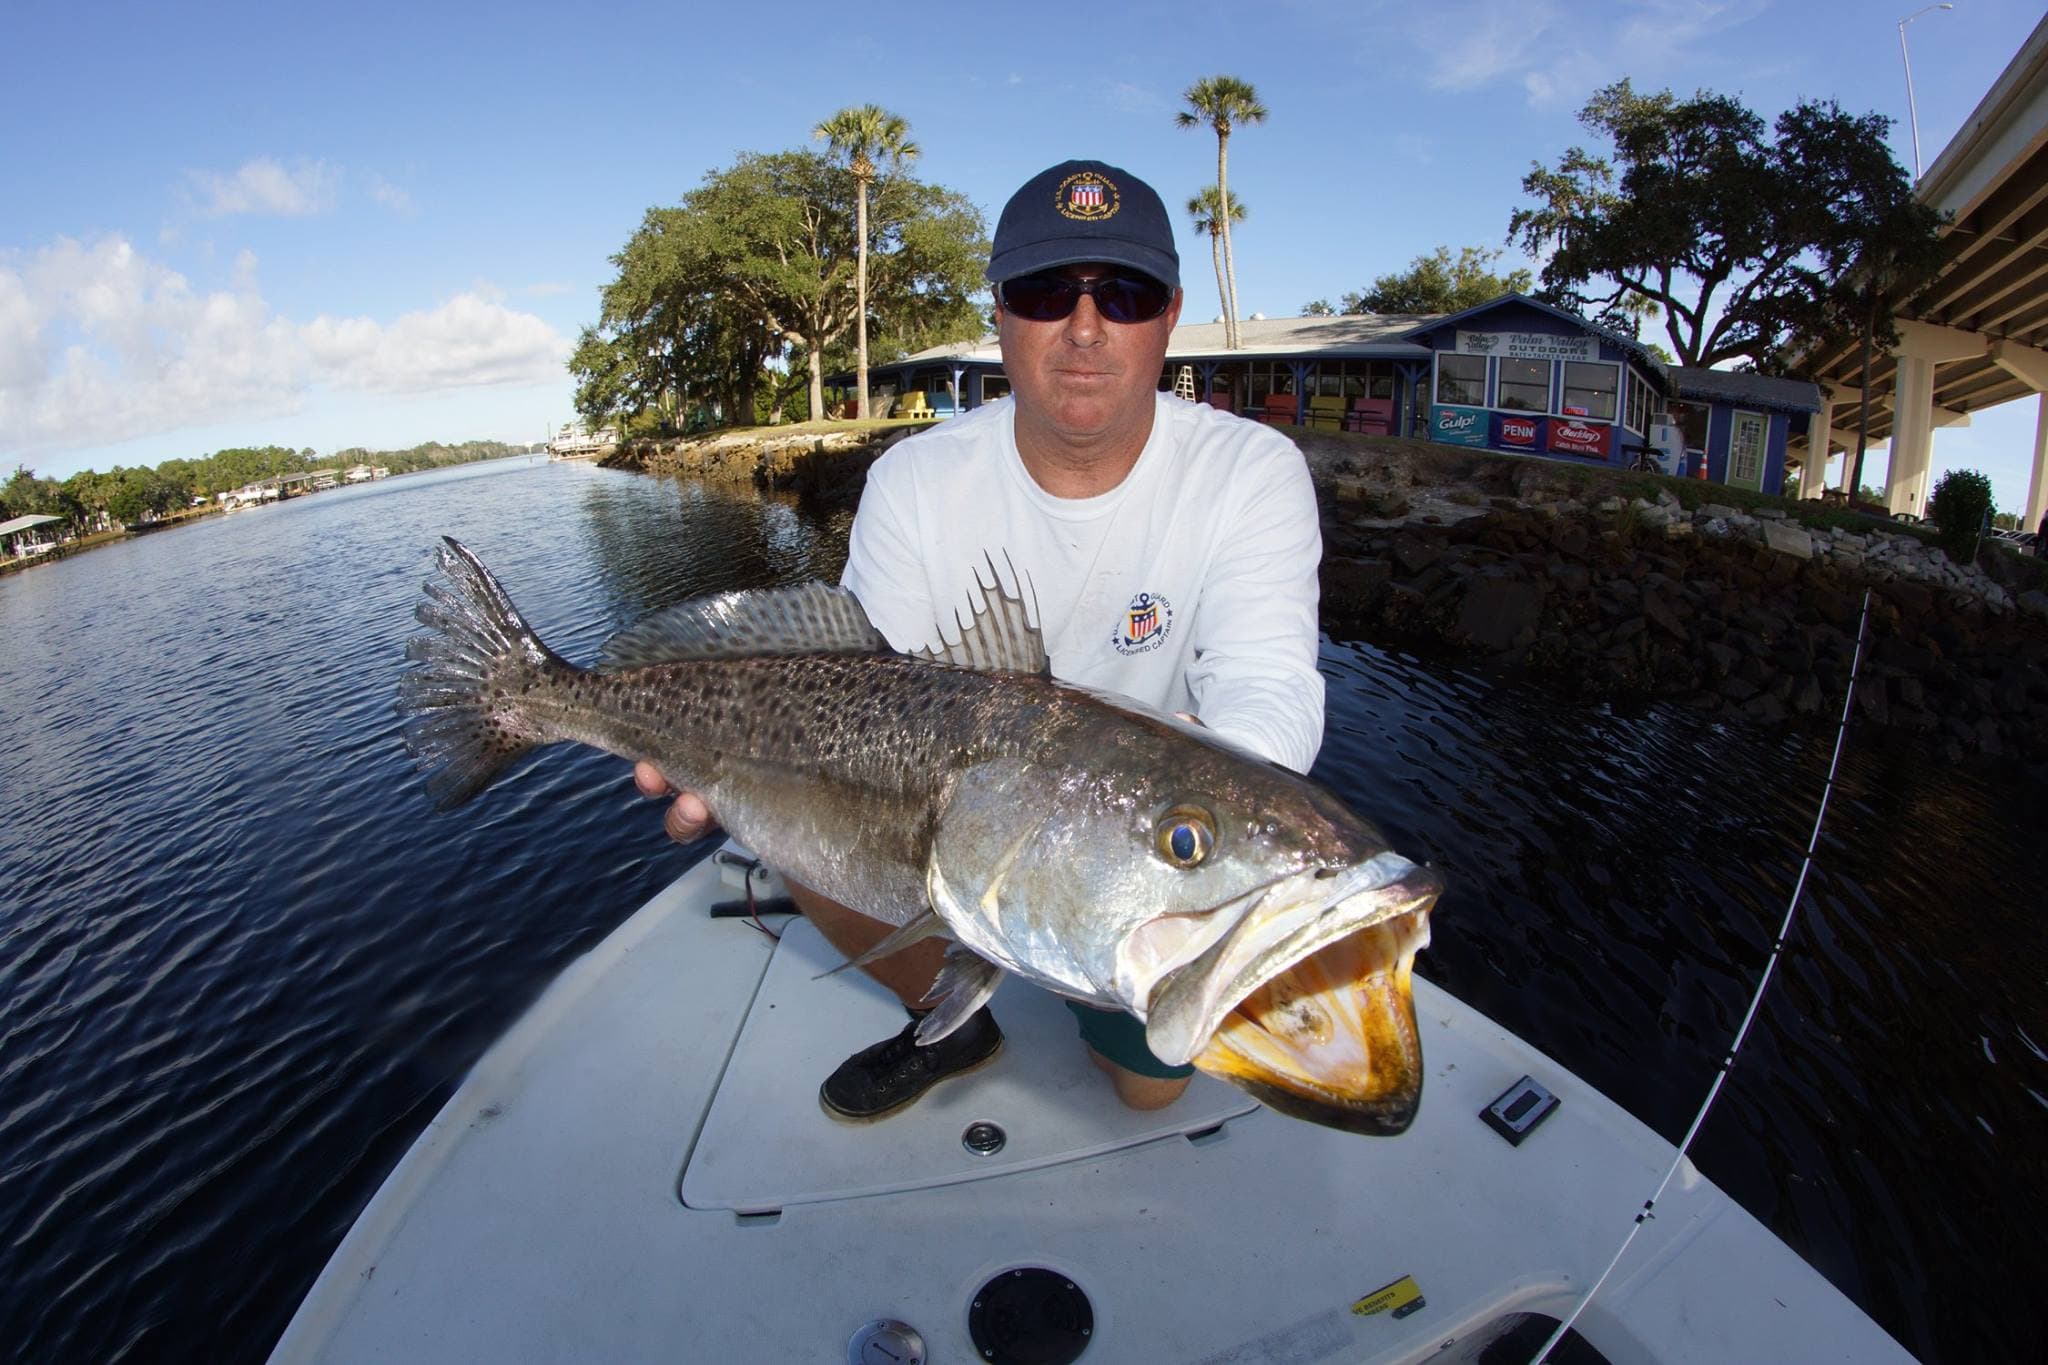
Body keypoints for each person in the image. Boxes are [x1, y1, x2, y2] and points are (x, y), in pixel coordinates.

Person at [637, 158, 1325, 1121]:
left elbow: (1270, 685)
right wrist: (737, 751)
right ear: (1000, 311)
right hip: (948, 823)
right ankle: (952, 1020)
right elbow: (863, 697)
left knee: (1147, 1093)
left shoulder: (1251, 472)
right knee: (794, 818)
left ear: (1170, 314)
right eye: (1048, 292)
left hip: (1136, 861)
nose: (1085, 327)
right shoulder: (917, 479)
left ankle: (1087, 972)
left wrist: (1166, 821)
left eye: (1121, 295)